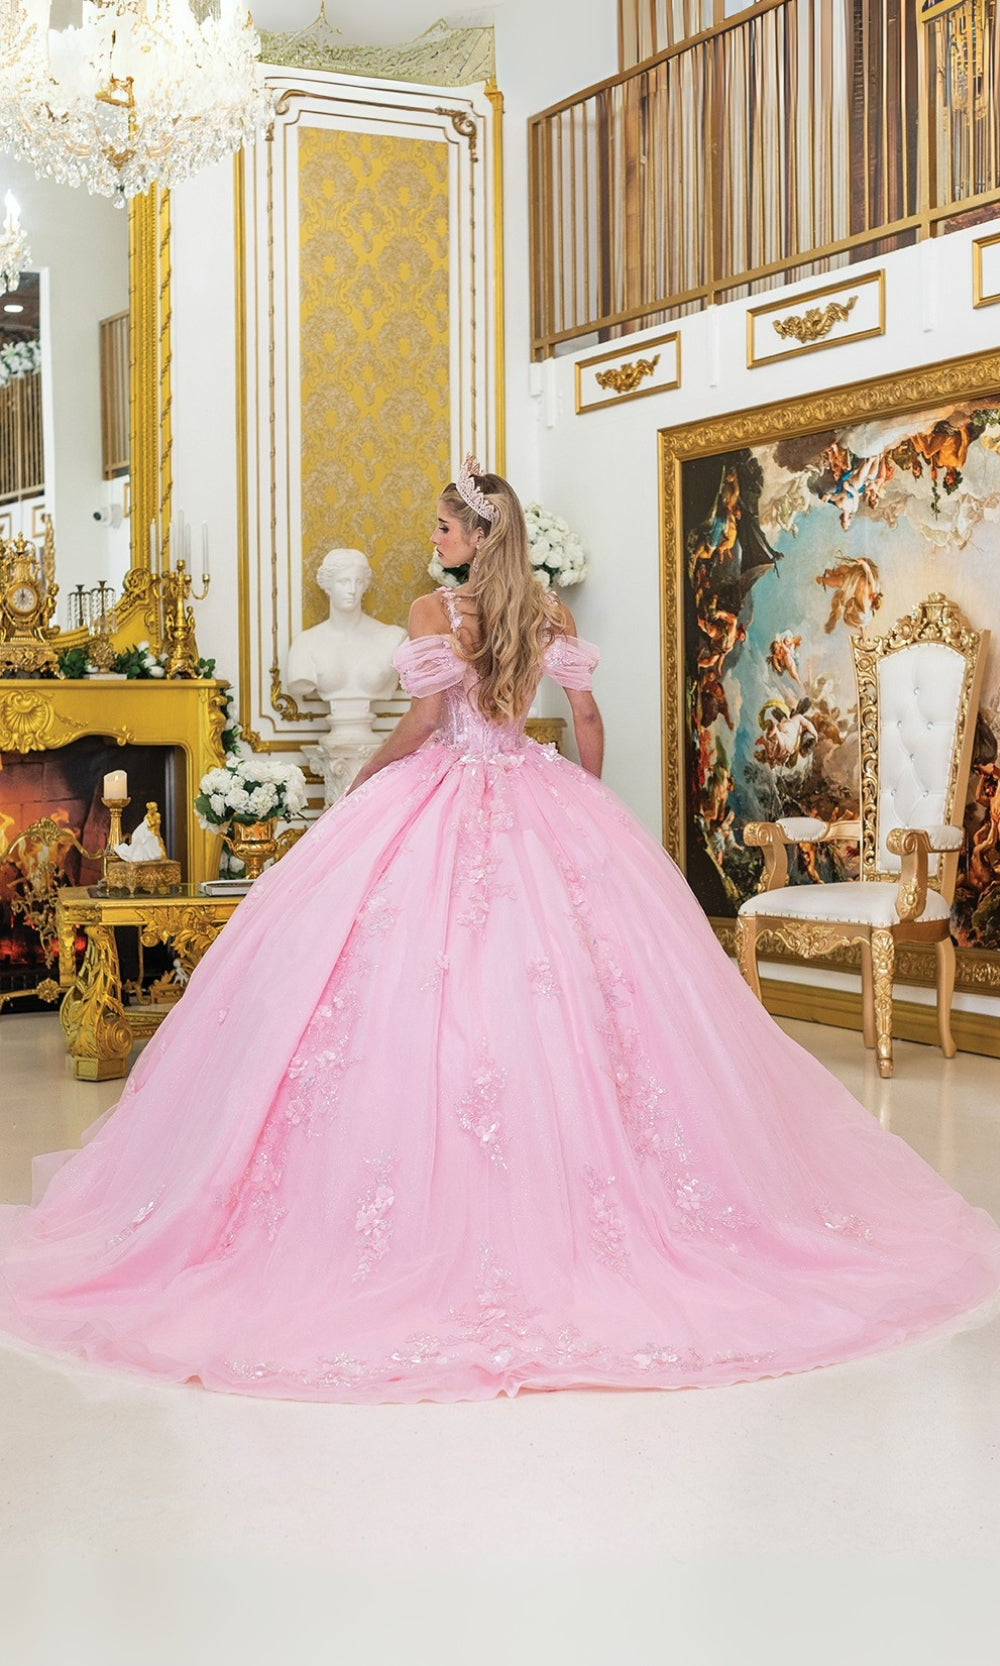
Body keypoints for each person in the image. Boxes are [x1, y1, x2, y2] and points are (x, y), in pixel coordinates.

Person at [0, 459, 998, 1403]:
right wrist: (583, 804)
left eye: (441, 524)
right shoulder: (546, 610)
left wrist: (359, 785)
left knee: (420, 993)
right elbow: (588, 718)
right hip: (536, 788)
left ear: (476, 536)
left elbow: (424, 725)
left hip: (446, 790)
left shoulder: (438, 610)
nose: (430, 538)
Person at [285, 547, 405, 705]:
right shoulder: (305, 643)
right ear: (328, 586)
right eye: (344, 582)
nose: (353, 590)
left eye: (359, 582)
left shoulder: (393, 638)